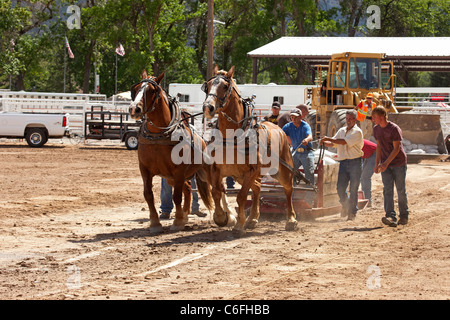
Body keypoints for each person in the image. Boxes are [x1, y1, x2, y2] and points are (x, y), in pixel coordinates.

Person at [159, 109, 207, 219]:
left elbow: (199, 143)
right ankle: (166, 210)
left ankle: (195, 208)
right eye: (185, 116)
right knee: (166, 185)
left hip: (189, 163)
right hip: (171, 164)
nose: (186, 119)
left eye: (187, 117)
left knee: (193, 184)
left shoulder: (191, 129)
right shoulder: (172, 130)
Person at [320, 110, 363, 221]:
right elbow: (334, 143)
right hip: (344, 162)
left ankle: (352, 212)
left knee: (353, 189)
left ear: (355, 120)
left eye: (350, 119)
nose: (348, 121)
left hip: (355, 162)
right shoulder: (342, 130)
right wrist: (325, 142)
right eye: (347, 118)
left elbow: (342, 142)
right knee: (340, 188)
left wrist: (328, 139)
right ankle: (347, 206)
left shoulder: (357, 132)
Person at [372, 106, 409, 227]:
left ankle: (404, 216)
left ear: (381, 117)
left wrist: (385, 163)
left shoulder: (394, 129)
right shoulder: (376, 129)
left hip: (398, 163)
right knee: (387, 189)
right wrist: (377, 163)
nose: (373, 119)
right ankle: (391, 216)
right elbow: (378, 147)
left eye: (375, 117)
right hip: (385, 164)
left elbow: (397, 148)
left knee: (400, 190)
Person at [282, 108, 315, 186]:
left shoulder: (305, 126)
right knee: (289, 172)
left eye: (296, 117)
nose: (293, 119)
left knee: (309, 174)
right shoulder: (288, 126)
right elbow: (281, 133)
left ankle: (309, 197)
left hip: (306, 153)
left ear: (300, 117)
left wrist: (306, 140)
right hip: (295, 152)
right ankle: (291, 194)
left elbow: (310, 136)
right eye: (292, 117)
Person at [360, 139, 377, 207]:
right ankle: (366, 199)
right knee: (363, 177)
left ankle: (368, 201)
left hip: (375, 154)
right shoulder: (353, 139)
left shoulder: (354, 140)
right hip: (370, 154)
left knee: (365, 177)